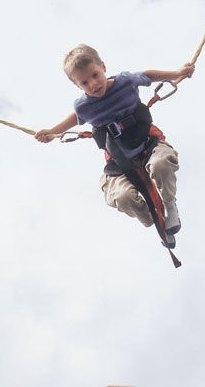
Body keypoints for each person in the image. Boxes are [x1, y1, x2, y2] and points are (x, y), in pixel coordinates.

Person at [35, 44, 194, 244]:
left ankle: (170, 204)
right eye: (84, 82)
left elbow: (147, 75)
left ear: (103, 67)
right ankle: (156, 218)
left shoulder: (125, 82)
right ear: (77, 86)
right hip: (119, 159)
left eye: (95, 75)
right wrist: (51, 132)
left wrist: (176, 73)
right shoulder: (84, 106)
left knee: (161, 165)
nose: (93, 84)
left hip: (148, 142)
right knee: (123, 197)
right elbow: (75, 118)